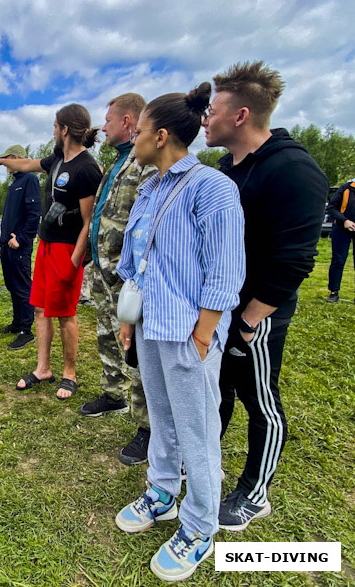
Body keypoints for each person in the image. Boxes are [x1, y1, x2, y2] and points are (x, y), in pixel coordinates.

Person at [114, 83, 245, 582]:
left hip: (190, 330)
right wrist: (130, 324)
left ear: (161, 135)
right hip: (149, 324)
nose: (135, 138)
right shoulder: (149, 188)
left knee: (197, 428)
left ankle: (200, 525)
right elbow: (134, 264)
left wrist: (205, 332)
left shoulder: (211, 187)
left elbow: (227, 268)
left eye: (141, 130)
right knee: (162, 414)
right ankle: (163, 492)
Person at [203, 61, 328, 531]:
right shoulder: (226, 169)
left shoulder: (293, 169)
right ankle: (206, 465)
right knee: (217, 392)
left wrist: (250, 320)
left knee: (260, 400)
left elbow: (295, 261)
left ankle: (255, 494)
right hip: (222, 307)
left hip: (258, 314)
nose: (204, 119)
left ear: (240, 116)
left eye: (213, 110)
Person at [0, 104, 101, 399]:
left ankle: (69, 374)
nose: (52, 131)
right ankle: (43, 369)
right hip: (46, 246)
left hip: (67, 250)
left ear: (65, 130)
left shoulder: (86, 168)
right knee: (40, 308)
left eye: (54, 126)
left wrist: (76, 261)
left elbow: (88, 223)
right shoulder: (57, 159)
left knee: (65, 314)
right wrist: (1, 161)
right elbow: (26, 164)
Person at [76, 93, 158, 466]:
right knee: (107, 334)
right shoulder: (119, 162)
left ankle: (147, 426)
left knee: (135, 347)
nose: (102, 126)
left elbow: (147, 223)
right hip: (104, 269)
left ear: (127, 121)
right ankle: (113, 392)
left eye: (108, 120)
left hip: (128, 275)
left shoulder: (147, 163)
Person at [0, 144, 41, 350]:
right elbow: (10, 218)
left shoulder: (30, 179)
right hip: (7, 246)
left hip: (19, 246)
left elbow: (34, 215)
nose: (5, 164)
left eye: (6, 160)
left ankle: (26, 331)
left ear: (15, 158)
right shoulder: (15, 183)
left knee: (22, 287)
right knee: (11, 285)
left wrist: (21, 239)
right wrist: (2, 243)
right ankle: (16, 323)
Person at [325, 179, 355, 303]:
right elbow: (331, 208)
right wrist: (344, 221)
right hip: (341, 229)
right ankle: (334, 292)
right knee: (338, 260)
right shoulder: (345, 188)